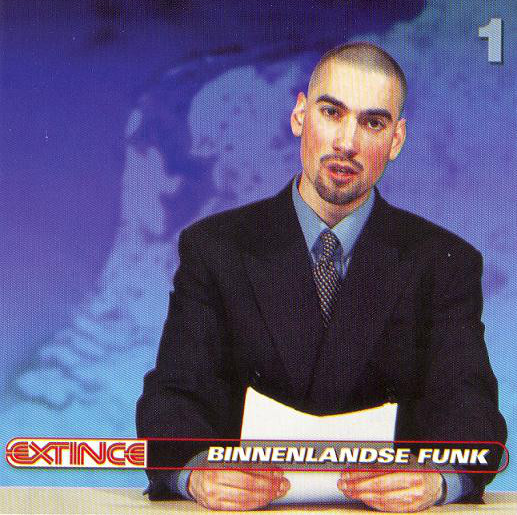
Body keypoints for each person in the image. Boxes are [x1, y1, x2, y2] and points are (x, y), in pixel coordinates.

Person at [136, 42, 507, 512]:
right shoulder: (215, 248)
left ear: (396, 140)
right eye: (332, 113)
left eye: (373, 123)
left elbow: (470, 408)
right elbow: (173, 397)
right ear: (300, 116)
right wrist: (195, 473)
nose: (346, 143)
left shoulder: (444, 262)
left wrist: (440, 480)